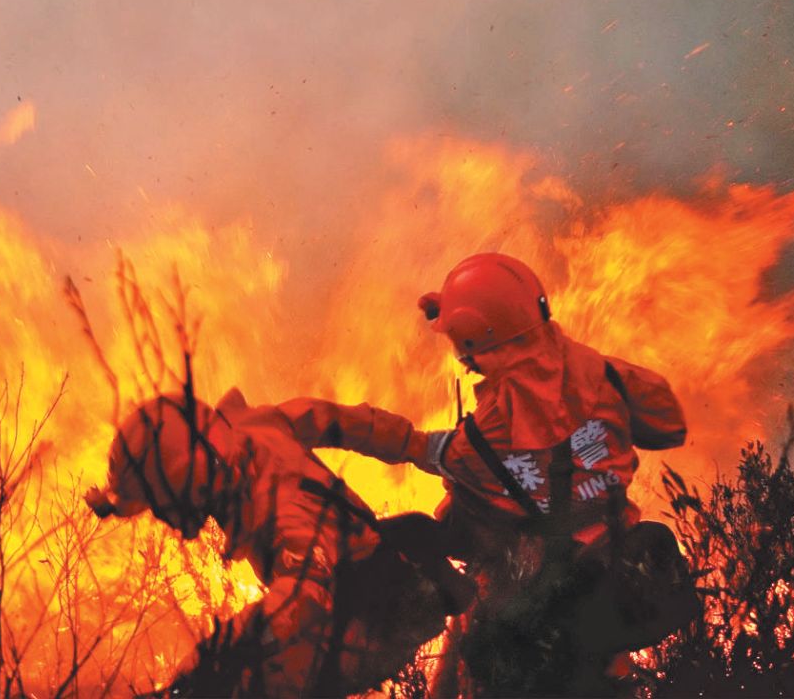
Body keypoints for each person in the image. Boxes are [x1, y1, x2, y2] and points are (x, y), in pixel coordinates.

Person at [281, 252, 696, 695]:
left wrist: (311, 421)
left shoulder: (483, 438)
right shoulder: (613, 377)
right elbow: (668, 426)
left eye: (462, 345)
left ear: (477, 341)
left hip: (530, 621)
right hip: (609, 592)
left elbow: (413, 447)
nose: (462, 359)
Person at [83, 387, 472, 698]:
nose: (168, 520)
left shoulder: (279, 506)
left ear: (190, 482)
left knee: (262, 679)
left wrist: (210, 662)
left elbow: (304, 598)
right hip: (373, 576)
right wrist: (418, 445)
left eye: (164, 507)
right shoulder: (251, 429)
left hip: (387, 614)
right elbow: (338, 420)